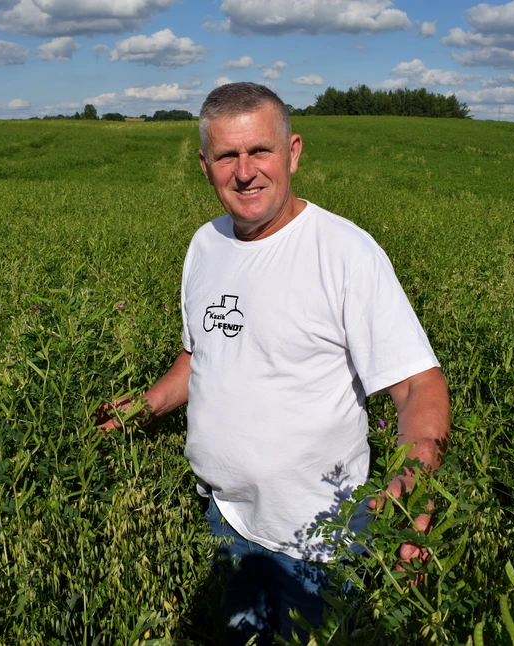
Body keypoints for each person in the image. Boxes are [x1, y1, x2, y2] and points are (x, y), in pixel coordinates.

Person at [97, 82, 450, 644]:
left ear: (293, 152)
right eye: (226, 156)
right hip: (223, 519)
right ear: (204, 164)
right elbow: (202, 352)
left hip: (316, 543)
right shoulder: (204, 245)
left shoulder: (345, 253)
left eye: (259, 150)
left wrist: (416, 482)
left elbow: (417, 385)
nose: (244, 172)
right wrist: (145, 404)